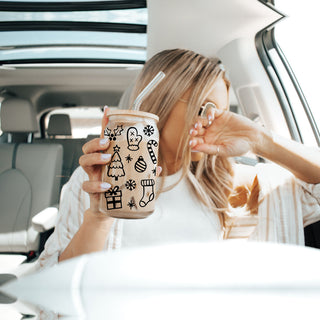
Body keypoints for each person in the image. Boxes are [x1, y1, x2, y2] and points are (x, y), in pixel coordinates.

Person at [38, 48, 320, 268]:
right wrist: (97, 220)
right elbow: (59, 290)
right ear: (161, 103)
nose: (211, 123)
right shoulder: (96, 180)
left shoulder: (238, 184)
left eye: (219, 113)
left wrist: (261, 140)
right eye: (203, 109)